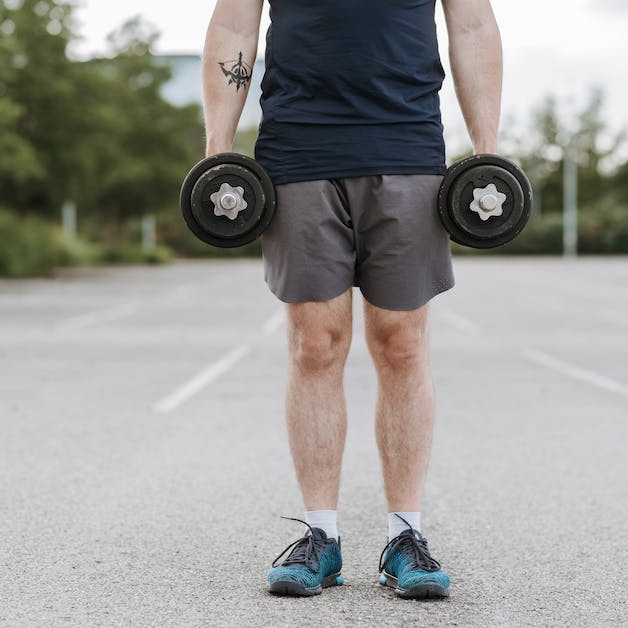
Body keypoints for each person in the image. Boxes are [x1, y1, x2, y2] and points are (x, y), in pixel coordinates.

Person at [202, 0, 502, 599]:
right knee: (315, 344)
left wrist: (486, 147)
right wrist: (218, 146)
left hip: (407, 146)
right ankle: (320, 537)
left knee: (401, 343)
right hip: (299, 151)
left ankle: (405, 537)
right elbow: (234, 23)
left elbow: (471, 24)